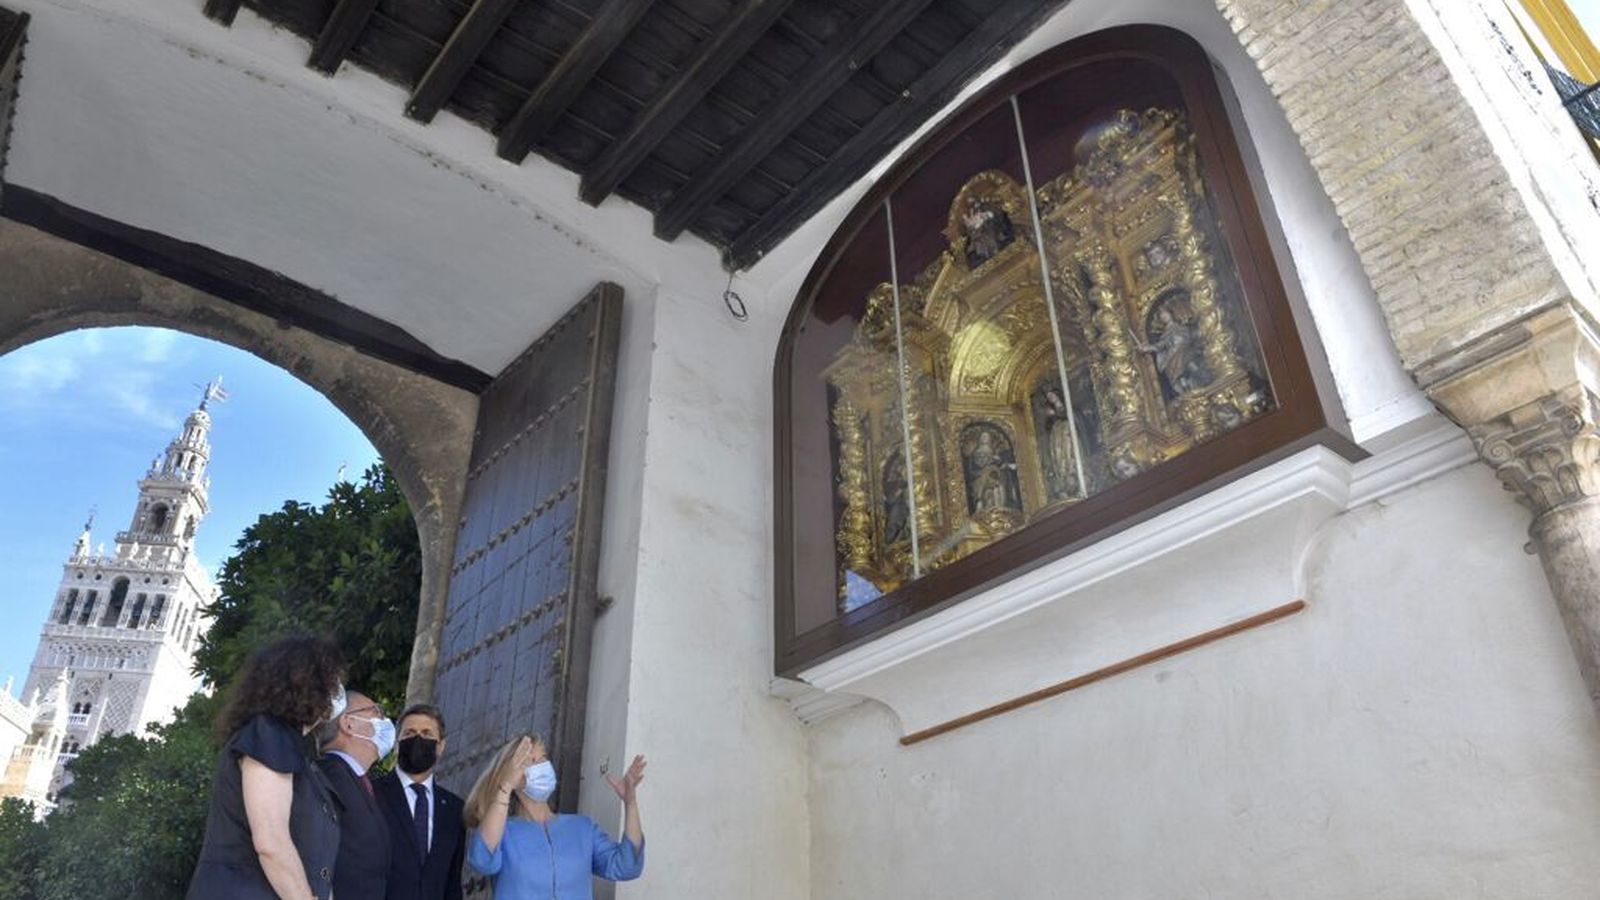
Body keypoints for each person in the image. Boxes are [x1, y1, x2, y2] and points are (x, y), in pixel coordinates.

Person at [187, 635, 347, 900]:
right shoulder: (270, 735)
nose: (338, 692)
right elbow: (271, 842)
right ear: (308, 682)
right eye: (332, 681)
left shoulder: (295, 750)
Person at [464, 734, 645, 900]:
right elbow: (483, 861)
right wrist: (505, 786)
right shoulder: (502, 832)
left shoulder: (582, 828)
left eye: (543, 758)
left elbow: (627, 866)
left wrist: (630, 802)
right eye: (530, 761)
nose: (541, 764)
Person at [375, 704, 466, 900]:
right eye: (409, 733)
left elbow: (452, 882)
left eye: (426, 733)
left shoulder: (454, 809)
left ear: (441, 746)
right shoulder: (371, 794)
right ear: (397, 743)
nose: (418, 739)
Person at [316, 688, 395, 900]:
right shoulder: (327, 777)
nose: (384, 719)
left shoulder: (359, 781)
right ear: (348, 723)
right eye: (376, 711)